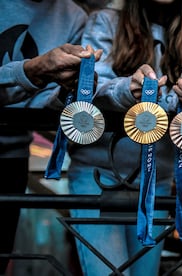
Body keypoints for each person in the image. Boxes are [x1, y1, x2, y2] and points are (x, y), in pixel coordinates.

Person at [66, 0, 182, 275]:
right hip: (97, 174)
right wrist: (128, 90)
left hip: (158, 179)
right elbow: (86, 85)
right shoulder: (105, 21)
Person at [0, 1, 102, 273]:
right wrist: (31, 70)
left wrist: (73, 91)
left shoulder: (72, 15)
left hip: (13, 157)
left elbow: (42, 103)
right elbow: (32, 79)